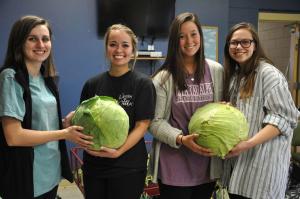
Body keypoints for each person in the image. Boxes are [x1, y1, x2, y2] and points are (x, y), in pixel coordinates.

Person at [0, 15, 93, 199]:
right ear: (19, 42)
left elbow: (38, 122)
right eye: (32, 38)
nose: (40, 45)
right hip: (27, 177)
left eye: (45, 39)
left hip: (51, 172)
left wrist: (64, 124)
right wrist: (64, 134)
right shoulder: (11, 78)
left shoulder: (46, 79)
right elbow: (14, 136)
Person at [149, 12, 224, 199]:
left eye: (193, 34)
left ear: (200, 35)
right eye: (181, 36)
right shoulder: (163, 78)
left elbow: (221, 111)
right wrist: (181, 139)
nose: (189, 40)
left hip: (206, 165)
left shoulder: (216, 70)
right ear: (175, 41)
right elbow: (155, 122)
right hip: (174, 166)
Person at [221, 22, 299, 199]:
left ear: (255, 45)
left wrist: (248, 144)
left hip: (262, 170)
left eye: (245, 42)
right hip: (238, 168)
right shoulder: (236, 76)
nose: (239, 47)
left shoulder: (268, 74)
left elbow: (283, 119)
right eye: (234, 43)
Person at [77, 24, 156, 199]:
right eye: (113, 44)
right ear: (106, 49)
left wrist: (119, 151)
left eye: (125, 45)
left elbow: (142, 125)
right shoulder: (92, 84)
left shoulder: (143, 84)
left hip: (128, 167)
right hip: (94, 166)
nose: (118, 49)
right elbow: (83, 122)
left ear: (133, 51)